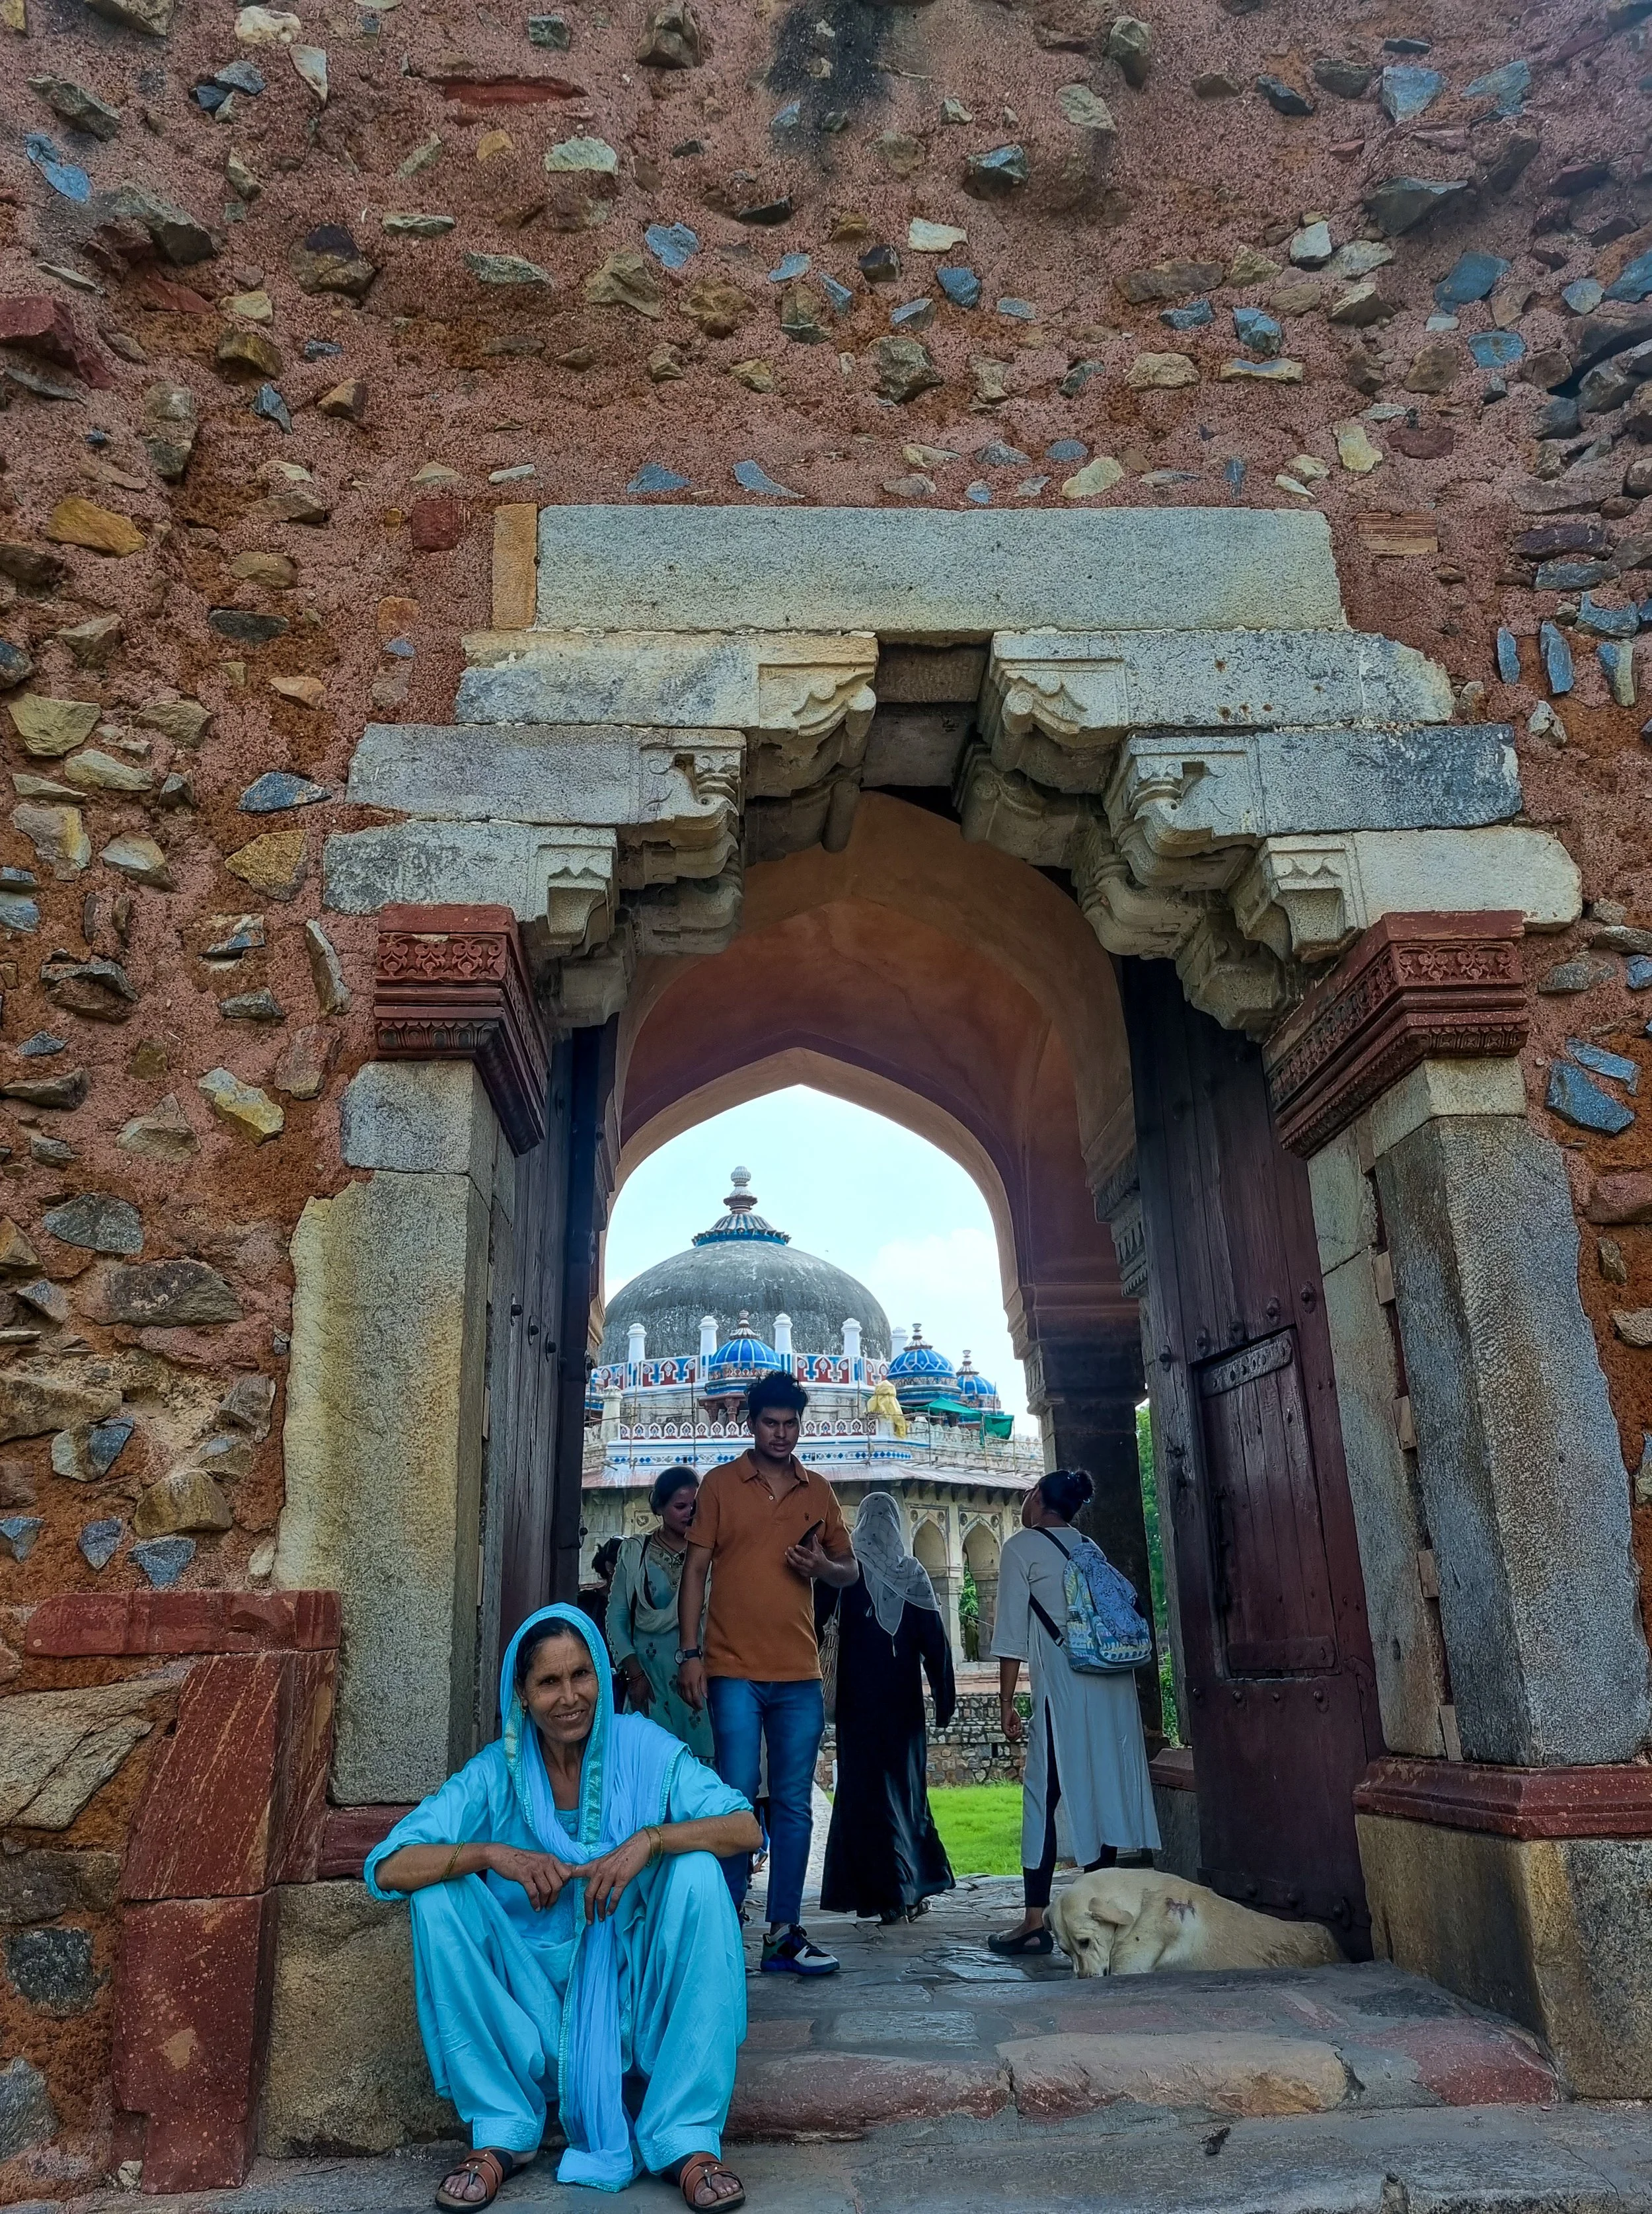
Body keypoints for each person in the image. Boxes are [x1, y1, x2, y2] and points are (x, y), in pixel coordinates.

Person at [367, 1604, 761, 2211]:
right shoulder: (495, 1774)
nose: (570, 1696)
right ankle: (502, 2129)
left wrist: (649, 1841)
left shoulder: (641, 1747)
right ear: (521, 1694)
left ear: (602, 1675)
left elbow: (743, 1826)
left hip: (633, 1997)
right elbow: (390, 1866)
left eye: (582, 1675)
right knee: (438, 1896)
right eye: (549, 1682)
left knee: (700, 1874)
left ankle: (685, 2136)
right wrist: (491, 1854)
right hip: (530, 2007)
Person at [677, 1369, 860, 1975]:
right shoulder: (723, 1485)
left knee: (792, 1802)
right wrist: (690, 1653)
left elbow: (849, 1571)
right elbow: (695, 1571)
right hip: (731, 1667)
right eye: (770, 1423)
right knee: (733, 1796)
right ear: (750, 1424)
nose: (781, 1435)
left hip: (798, 1670)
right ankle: (725, 1921)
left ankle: (783, 1930)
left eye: (790, 1424)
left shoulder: (819, 1491)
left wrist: (820, 1566)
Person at [987, 1469, 1160, 1956]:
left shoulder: (1021, 1547)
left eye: (1029, 1494)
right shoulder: (1090, 1548)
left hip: (1064, 1686)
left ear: (1039, 1499)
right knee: (1102, 1785)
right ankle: (1099, 1907)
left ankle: (1032, 1920)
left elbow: (1010, 1638)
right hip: (1110, 1684)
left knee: (1045, 1791)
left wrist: (1006, 1702)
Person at [821, 1492, 957, 1924]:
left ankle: (881, 1894)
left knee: (865, 1798)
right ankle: (909, 1889)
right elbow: (936, 1645)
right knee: (907, 1795)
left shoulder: (845, 1573)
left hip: (858, 1708)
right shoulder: (912, 1574)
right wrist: (944, 1700)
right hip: (903, 1711)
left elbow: (813, 1626)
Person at [607, 1467, 714, 1761]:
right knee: (649, 1768)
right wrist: (635, 1674)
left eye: (696, 1505)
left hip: (700, 1679)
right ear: (660, 1507)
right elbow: (616, 1619)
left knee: (702, 1774)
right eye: (680, 1506)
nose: (690, 1513)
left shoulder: (714, 1554)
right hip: (649, 1680)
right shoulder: (635, 1553)